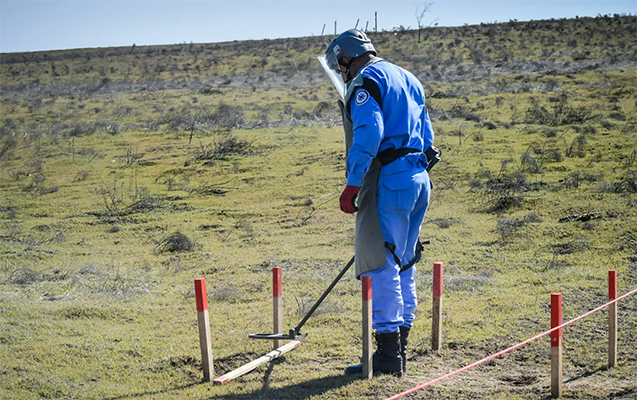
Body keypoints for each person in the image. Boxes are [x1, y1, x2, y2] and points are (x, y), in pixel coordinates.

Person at [323, 29, 436, 377]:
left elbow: (369, 132)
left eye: (341, 67)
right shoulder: (407, 76)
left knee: (381, 262)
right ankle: (399, 349)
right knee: (405, 261)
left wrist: (353, 182)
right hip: (419, 177)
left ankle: (387, 356)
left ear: (346, 59)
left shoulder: (366, 80)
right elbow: (428, 135)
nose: (343, 74)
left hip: (391, 178)